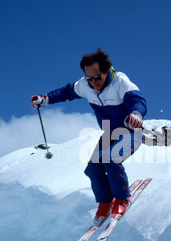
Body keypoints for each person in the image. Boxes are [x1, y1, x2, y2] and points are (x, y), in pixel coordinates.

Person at [30, 49, 147, 223]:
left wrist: (136, 114)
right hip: (109, 132)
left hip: (130, 131)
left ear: (106, 71)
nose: (93, 82)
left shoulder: (120, 82)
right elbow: (66, 92)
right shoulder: (86, 85)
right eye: (89, 78)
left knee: (110, 159)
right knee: (92, 168)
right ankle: (105, 202)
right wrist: (45, 99)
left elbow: (136, 100)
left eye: (97, 77)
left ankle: (122, 199)